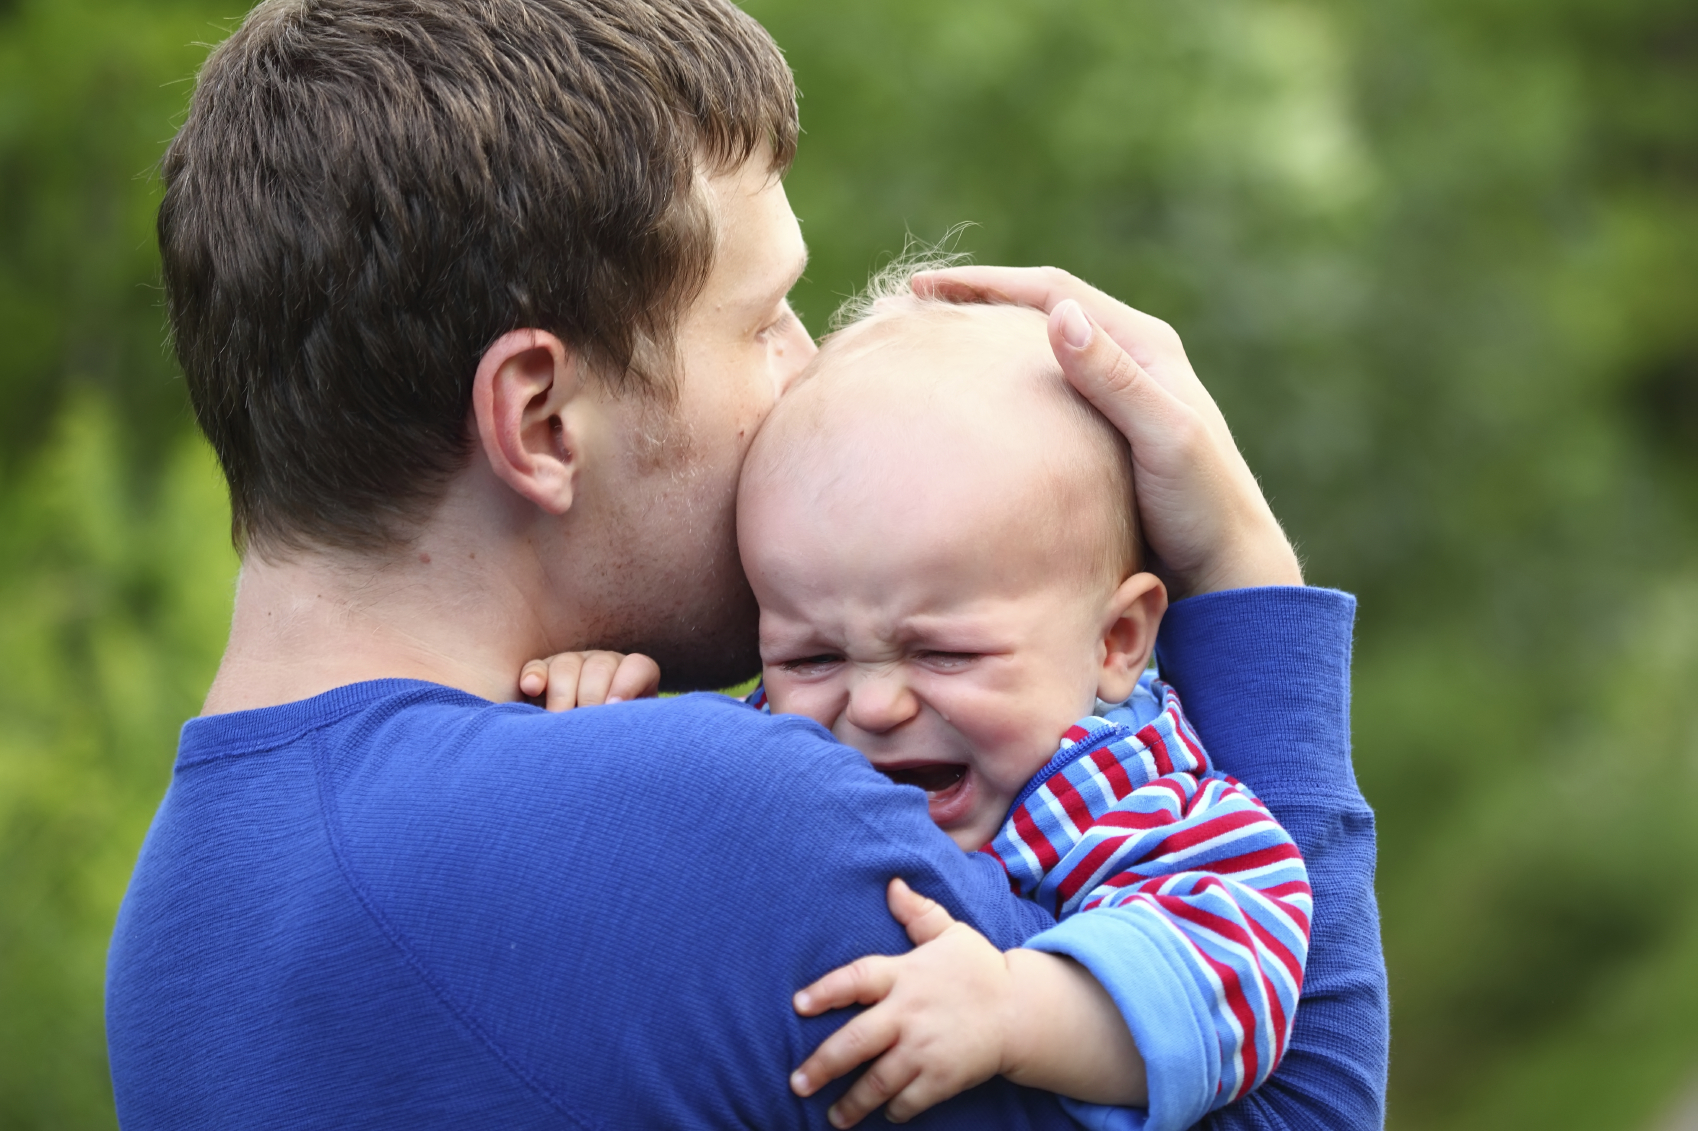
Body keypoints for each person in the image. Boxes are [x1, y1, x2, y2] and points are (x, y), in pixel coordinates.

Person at [104, 2, 1387, 1129]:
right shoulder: (717, 820)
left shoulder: (172, 936)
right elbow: (1300, 1108)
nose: (809, 374)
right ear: (544, 420)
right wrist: (1245, 573)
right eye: (762, 319)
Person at [526, 293, 1314, 1131]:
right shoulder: (775, 742)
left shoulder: (1133, 798)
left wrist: (1018, 1008)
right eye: (810, 656)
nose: (872, 703)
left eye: (945, 653)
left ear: (1116, 640)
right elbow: (682, 812)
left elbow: (1237, 977)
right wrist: (606, 724)